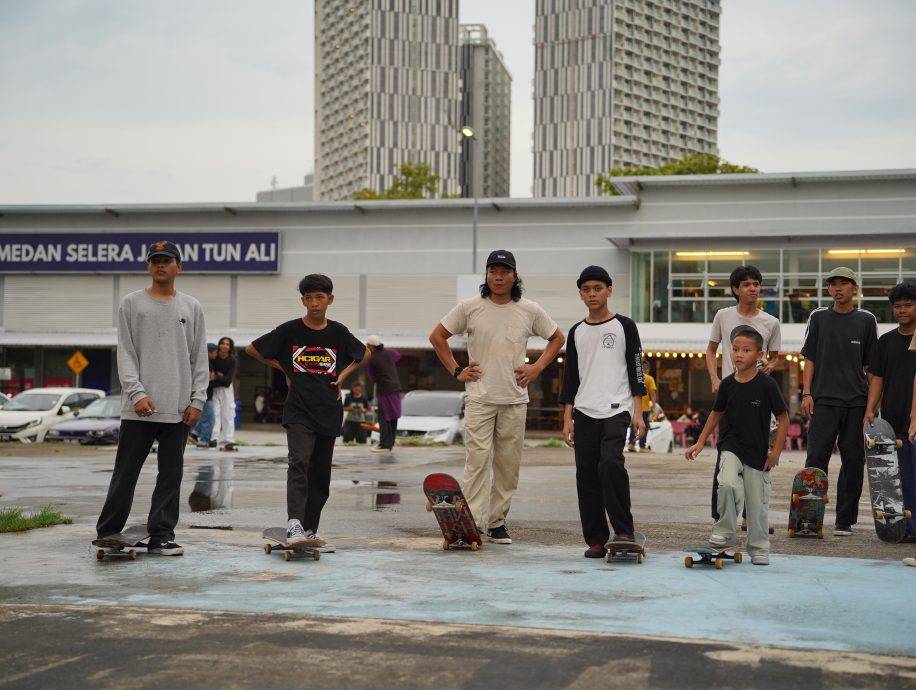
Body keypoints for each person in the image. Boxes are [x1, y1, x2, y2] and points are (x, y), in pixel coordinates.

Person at [429, 249, 565, 544]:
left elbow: (557, 337)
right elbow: (437, 336)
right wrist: (456, 370)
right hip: (479, 397)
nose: (498, 277)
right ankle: (472, 524)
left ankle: (497, 522)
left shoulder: (529, 309)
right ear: (487, 276)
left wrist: (537, 368)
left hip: (515, 399)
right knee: (476, 461)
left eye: (504, 271)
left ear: (515, 276)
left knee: (507, 465)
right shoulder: (470, 307)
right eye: (493, 271)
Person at [95, 240, 209, 556]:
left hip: (178, 408)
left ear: (178, 266)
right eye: (155, 260)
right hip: (139, 409)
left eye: (167, 260)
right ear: (148, 266)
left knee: (171, 475)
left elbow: (199, 357)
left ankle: (162, 535)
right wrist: (137, 393)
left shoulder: (191, 306)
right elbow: (126, 354)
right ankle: (109, 532)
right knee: (125, 473)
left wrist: (198, 399)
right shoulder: (132, 304)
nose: (160, 265)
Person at [246, 274, 367, 550]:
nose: (314, 303)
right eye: (308, 298)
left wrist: (343, 376)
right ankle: (295, 524)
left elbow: (363, 354)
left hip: (329, 409)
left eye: (319, 297)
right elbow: (253, 349)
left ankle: (310, 529)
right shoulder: (289, 330)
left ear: (330, 300)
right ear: (302, 301)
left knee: (321, 474)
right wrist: (286, 369)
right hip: (299, 409)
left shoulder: (338, 332)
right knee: (299, 463)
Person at [559, 266, 647, 558]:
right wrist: (567, 416)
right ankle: (596, 539)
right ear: (581, 294)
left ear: (609, 290)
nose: (592, 293)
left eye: (598, 288)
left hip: (617, 408)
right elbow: (571, 376)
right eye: (586, 289)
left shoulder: (625, 326)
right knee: (586, 474)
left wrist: (638, 411)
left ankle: (623, 530)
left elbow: (636, 370)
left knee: (610, 464)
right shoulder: (576, 332)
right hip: (584, 411)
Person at [686, 326, 789, 565]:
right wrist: (700, 442)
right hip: (730, 445)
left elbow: (783, 419)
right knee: (727, 483)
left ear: (759, 354)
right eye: (734, 349)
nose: (739, 354)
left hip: (758, 452)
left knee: (757, 504)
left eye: (746, 349)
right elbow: (715, 414)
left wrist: (775, 453)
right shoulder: (727, 385)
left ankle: (759, 548)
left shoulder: (767, 385)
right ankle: (725, 530)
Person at [801, 266, 878, 536]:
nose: (838, 288)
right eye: (833, 284)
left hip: (857, 402)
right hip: (823, 400)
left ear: (854, 288)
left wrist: (872, 406)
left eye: (844, 283)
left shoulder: (867, 320)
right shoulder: (819, 317)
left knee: (854, 461)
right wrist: (807, 393)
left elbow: (871, 367)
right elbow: (810, 358)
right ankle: (809, 518)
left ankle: (844, 520)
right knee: (815, 460)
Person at [705, 265, 781, 526]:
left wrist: (770, 366)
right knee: (725, 452)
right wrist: (715, 378)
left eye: (756, 284)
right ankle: (720, 516)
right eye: (746, 284)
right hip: (730, 393)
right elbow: (711, 349)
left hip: (758, 395)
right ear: (736, 289)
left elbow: (774, 356)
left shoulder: (771, 322)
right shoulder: (723, 316)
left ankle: (752, 516)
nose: (753, 288)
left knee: (758, 452)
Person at [866, 282, 916, 537]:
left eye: (908, 305)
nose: (902, 310)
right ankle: (907, 528)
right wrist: (870, 408)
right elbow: (878, 378)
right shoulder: (886, 341)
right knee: (901, 479)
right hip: (893, 421)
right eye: (898, 306)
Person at [365, 335, 402, 452]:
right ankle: (389, 444)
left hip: (385, 390)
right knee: (393, 417)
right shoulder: (388, 353)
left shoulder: (371, 358)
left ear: (370, 346)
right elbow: (398, 355)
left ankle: (384, 445)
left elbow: (372, 377)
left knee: (384, 417)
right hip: (395, 388)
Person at [212, 336, 238, 452]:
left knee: (228, 414)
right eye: (222, 343)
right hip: (214, 389)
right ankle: (213, 438)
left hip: (226, 391)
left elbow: (228, 381)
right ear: (219, 345)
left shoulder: (232, 360)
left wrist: (216, 376)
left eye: (227, 344)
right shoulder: (214, 358)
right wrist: (220, 377)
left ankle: (228, 440)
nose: (224, 346)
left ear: (230, 347)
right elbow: (209, 376)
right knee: (215, 414)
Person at [192, 343, 219, 449]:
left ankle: (195, 433)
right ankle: (204, 441)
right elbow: (208, 380)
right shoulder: (207, 364)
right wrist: (216, 377)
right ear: (209, 352)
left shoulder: (207, 363)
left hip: (205, 395)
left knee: (205, 417)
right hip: (206, 395)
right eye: (215, 352)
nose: (216, 354)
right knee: (210, 418)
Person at [628, 356, 656, 452]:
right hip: (646, 408)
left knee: (634, 425)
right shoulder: (649, 379)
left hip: (635, 406)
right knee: (645, 426)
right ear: (647, 369)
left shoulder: (635, 377)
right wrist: (654, 406)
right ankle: (642, 446)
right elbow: (652, 393)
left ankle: (631, 444)